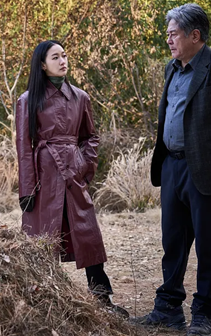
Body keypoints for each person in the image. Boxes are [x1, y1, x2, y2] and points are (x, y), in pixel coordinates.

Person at [133, 4, 211, 335]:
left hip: (207, 168)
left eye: (173, 34)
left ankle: (203, 313)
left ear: (195, 35)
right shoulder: (172, 68)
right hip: (172, 166)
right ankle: (168, 308)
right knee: (172, 241)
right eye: (168, 34)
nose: (168, 40)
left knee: (208, 246)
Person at [15, 40, 128, 318]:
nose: (63, 60)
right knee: (42, 238)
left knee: (88, 233)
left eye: (64, 55)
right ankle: (41, 301)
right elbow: (24, 146)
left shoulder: (80, 97)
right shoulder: (28, 100)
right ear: (43, 65)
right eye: (55, 57)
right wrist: (27, 188)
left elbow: (90, 137)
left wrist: (85, 167)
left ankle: (102, 298)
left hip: (74, 175)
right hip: (43, 176)